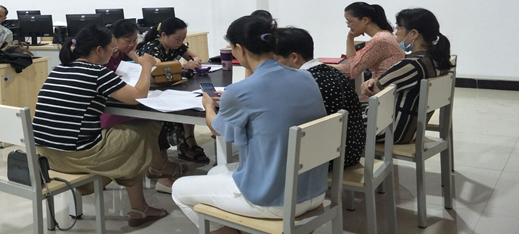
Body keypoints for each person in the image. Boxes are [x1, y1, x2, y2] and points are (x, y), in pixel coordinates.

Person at [172, 16, 328, 231]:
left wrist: (209, 106)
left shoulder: (239, 91)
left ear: (240, 48)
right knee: (216, 172)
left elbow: (217, 129)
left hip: (274, 199)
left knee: (179, 189)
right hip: (315, 190)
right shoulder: (306, 77)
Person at [32, 25, 179, 227]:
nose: (113, 52)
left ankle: (142, 201)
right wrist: (146, 66)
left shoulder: (58, 70)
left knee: (127, 137)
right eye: (112, 48)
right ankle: (156, 173)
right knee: (146, 126)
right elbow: (138, 96)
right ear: (99, 50)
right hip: (78, 156)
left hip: (46, 157)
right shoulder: (98, 72)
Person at [100, 19, 185, 193]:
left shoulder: (125, 54)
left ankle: (159, 169)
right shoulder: (104, 59)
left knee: (155, 123)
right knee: (145, 126)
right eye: (127, 40)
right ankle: (161, 169)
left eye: (134, 40)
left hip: (128, 102)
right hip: (112, 108)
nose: (132, 44)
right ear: (114, 39)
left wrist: (135, 58)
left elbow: (144, 72)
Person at [274, 27, 365, 168]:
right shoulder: (331, 71)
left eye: (276, 60)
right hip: (351, 150)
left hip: (326, 160)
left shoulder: (301, 83)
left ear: (294, 57)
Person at [361, 8, 453, 143]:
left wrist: (368, 84)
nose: (395, 32)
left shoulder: (412, 65)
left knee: (338, 124)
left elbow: (373, 90)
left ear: (413, 33)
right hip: (410, 129)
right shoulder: (435, 61)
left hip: (390, 130)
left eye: (399, 28)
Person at [137, 17, 207, 163]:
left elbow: (195, 57)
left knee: (189, 102)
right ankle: (183, 145)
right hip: (152, 90)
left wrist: (194, 61)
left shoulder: (176, 46)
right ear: (164, 35)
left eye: (183, 38)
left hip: (169, 86)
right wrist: (184, 66)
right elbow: (158, 67)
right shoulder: (153, 47)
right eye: (177, 38)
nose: (180, 42)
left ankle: (188, 141)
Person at [332, 2, 404, 81]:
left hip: (381, 86)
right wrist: (350, 38)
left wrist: (323, 66)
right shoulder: (384, 35)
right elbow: (352, 62)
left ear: (365, 20)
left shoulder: (380, 40)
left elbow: (350, 70)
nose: (348, 25)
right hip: (383, 84)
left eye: (350, 21)